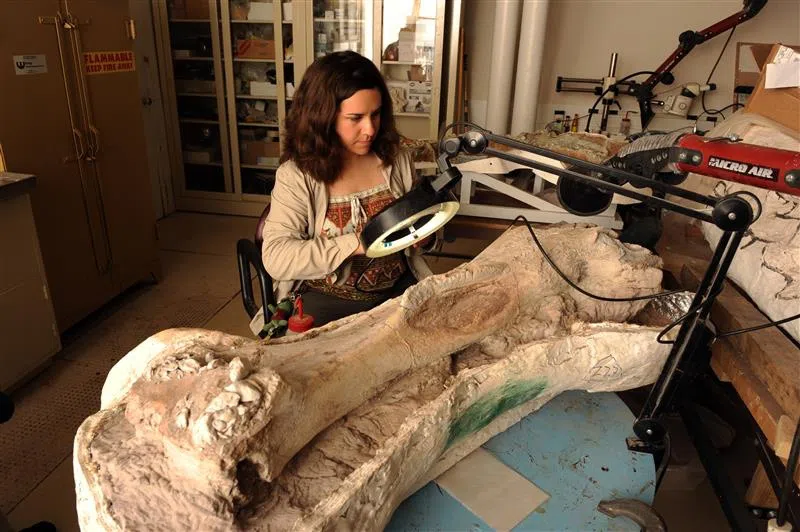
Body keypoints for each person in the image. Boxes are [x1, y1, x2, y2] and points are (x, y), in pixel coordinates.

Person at [260, 51, 434, 327]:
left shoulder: (396, 159)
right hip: (327, 299)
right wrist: (357, 244)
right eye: (355, 118)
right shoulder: (296, 176)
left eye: (376, 115)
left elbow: (420, 225)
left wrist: (425, 235)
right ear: (323, 118)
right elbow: (277, 257)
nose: (370, 129)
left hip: (398, 289)